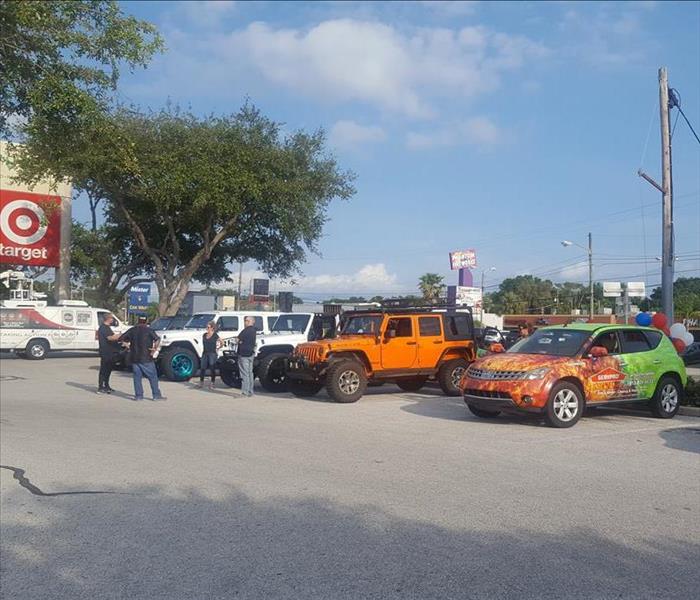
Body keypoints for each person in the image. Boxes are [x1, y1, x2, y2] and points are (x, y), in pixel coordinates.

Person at [120, 316, 166, 401]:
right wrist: (154, 348)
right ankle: (156, 395)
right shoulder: (149, 330)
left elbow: (121, 338)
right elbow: (157, 339)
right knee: (153, 377)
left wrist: (128, 346)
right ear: (146, 321)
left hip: (135, 358)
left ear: (138, 321)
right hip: (146, 358)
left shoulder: (132, 330)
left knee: (137, 378)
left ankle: (138, 396)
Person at [97, 313, 121, 394]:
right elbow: (110, 338)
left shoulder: (107, 328)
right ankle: (101, 387)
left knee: (108, 370)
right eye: (112, 318)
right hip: (105, 352)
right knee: (104, 370)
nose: (113, 319)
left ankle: (106, 386)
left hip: (110, 352)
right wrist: (119, 335)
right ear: (108, 319)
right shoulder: (103, 328)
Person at [198, 321, 222, 390]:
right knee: (202, 368)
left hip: (212, 353)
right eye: (206, 327)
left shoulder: (215, 335)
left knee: (212, 368)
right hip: (205, 353)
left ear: (212, 328)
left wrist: (218, 348)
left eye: (208, 327)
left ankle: (212, 382)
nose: (207, 329)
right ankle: (201, 382)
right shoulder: (204, 335)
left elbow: (221, 341)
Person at [237, 316, 257, 397]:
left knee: (244, 374)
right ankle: (250, 391)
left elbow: (238, 339)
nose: (245, 322)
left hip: (243, 354)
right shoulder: (254, 330)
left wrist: (240, 342)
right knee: (250, 373)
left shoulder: (245, 330)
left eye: (246, 321)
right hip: (251, 354)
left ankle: (245, 392)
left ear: (249, 321)